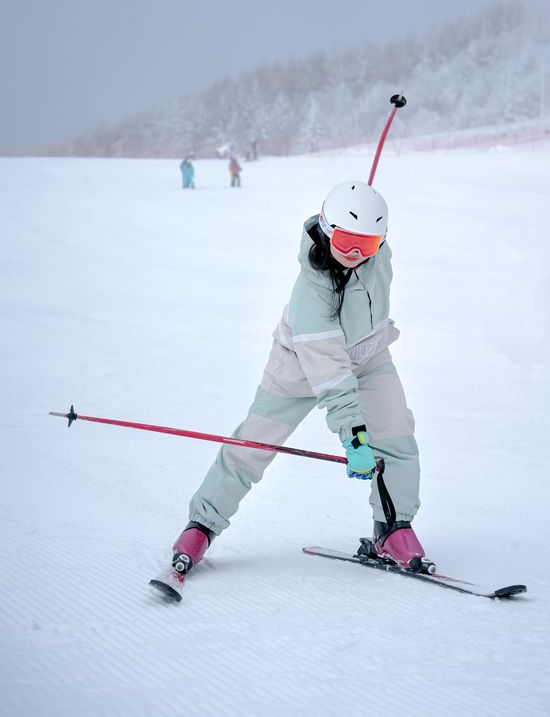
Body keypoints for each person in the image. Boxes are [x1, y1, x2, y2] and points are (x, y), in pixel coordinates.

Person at [153, 181, 424, 599]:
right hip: (299, 369)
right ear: (326, 228)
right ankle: (200, 527)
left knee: (397, 439)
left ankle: (393, 527)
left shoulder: (375, 256)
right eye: (348, 240)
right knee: (249, 449)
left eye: (367, 243)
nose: (356, 253)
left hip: (369, 357)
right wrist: (355, 438)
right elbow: (332, 380)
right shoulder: (310, 296)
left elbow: (366, 227)